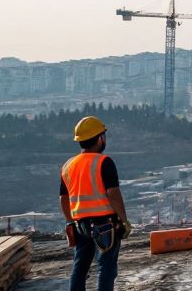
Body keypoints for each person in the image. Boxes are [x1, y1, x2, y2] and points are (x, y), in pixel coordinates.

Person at [60, 115, 131, 291]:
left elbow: (63, 198)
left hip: (80, 224)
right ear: (100, 138)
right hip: (104, 223)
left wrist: (70, 221)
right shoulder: (104, 162)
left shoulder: (68, 166)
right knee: (106, 268)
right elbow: (113, 193)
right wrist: (124, 220)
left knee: (80, 268)